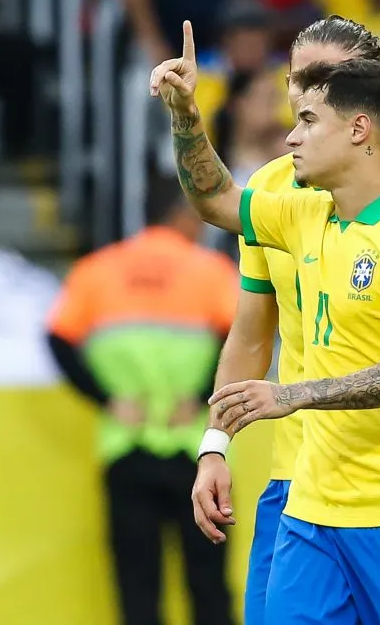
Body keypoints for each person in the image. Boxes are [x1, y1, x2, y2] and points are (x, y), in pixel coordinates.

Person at [151, 22, 380, 625]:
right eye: (297, 82)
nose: (295, 112)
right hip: (301, 487)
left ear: (360, 117)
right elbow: (247, 316)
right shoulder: (291, 201)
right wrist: (187, 113)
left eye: (317, 96)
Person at [46, 190, 238, 625]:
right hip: (198, 450)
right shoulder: (210, 271)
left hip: (126, 446)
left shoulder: (98, 270)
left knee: (136, 585)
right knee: (208, 584)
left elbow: (57, 339)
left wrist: (107, 399)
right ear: (185, 218)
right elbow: (242, 342)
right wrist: (205, 396)